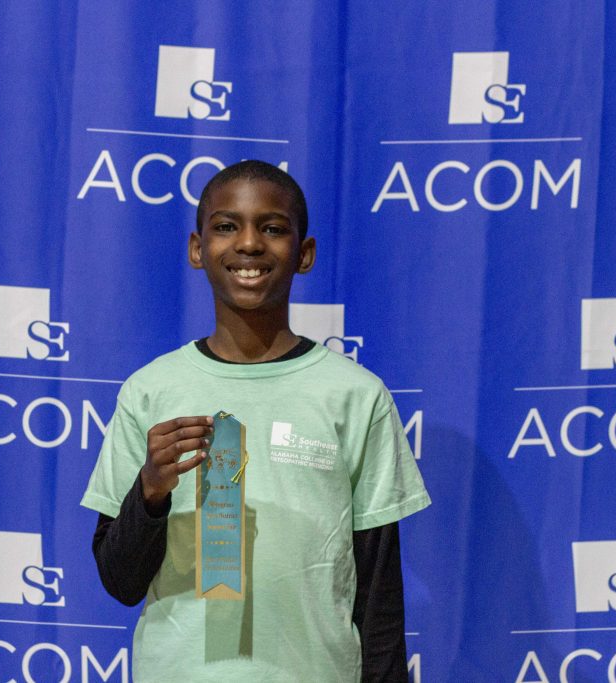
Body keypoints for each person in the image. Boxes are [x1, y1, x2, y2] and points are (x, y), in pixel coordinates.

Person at [81, 160, 430, 682]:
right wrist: (150, 493)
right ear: (197, 248)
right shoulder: (150, 391)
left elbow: (379, 596)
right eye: (226, 226)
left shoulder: (356, 396)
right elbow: (120, 582)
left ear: (304, 254)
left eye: (272, 228)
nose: (248, 244)